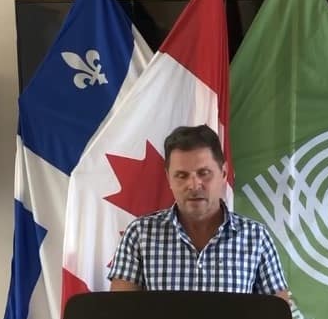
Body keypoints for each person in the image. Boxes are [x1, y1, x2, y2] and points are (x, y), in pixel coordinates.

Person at [107, 124, 290, 302]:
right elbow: (120, 315)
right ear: (168, 178)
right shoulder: (140, 234)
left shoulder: (256, 237)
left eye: (204, 173)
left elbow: (277, 316)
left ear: (224, 173)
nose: (194, 185)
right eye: (182, 175)